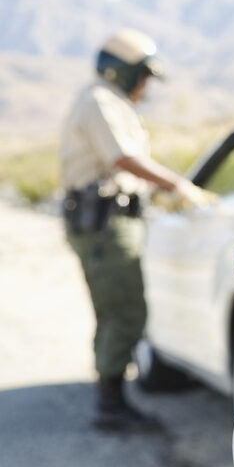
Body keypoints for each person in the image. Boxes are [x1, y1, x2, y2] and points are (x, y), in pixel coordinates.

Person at [60, 28, 211, 432]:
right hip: (104, 224)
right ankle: (111, 405)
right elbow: (124, 158)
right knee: (124, 312)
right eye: (142, 76)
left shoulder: (111, 103)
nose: (145, 86)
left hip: (112, 219)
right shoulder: (99, 100)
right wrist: (175, 185)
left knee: (117, 310)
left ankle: (111, 398)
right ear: (122, 72)